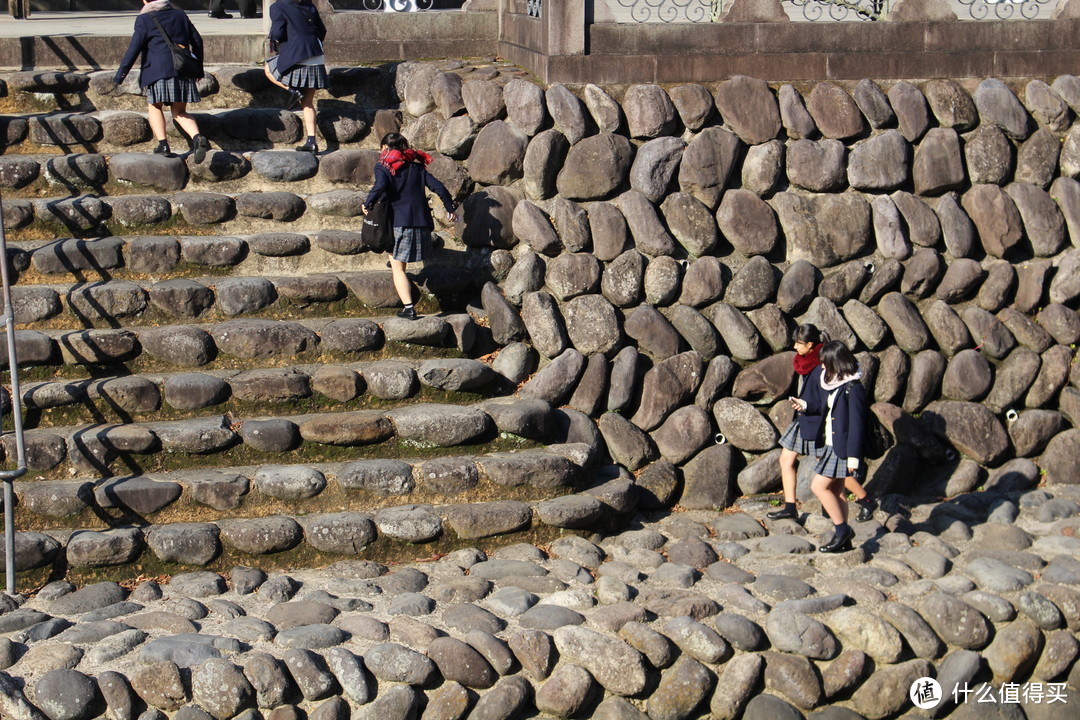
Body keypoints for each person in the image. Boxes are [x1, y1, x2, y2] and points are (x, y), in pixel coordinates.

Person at [768, 326, 878, 524]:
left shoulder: (823, 366)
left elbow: (827, 403)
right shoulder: (806, 363)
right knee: (788, 460)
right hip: (804, 418)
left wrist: (808, 406)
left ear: (810, 345)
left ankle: (860, 503)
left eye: (798, 343)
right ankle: (791, 506)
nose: (794, 347)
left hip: (819, 422)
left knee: (833, 470)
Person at [362, 133, 457, 320]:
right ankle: (398, 262)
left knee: (398, 269)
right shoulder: (416, 167)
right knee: (398, 261)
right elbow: (438, 187)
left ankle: (409, 308)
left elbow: (380, 185)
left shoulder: (384, 166)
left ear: (384, 148)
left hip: (398, 222)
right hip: (420, 222)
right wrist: (449, 207)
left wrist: (368, 203)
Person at [114, 0, 210, 162]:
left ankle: (163, 145)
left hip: (157, 71)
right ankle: (197, 137)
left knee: (155, 105)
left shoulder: (144, 19)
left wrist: (121, 74)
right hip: (183, 70)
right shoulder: (180, 15)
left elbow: (134, 48)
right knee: (179, 112)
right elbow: (197, 41)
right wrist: (198, 69)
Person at [799, 341, 870, 553]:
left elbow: (858, 424)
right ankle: (845, 539)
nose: (822, 367)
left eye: (825, 363)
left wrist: (854, 458)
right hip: (831, 444)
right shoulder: (835, 382)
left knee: (818, 487)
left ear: (835, 362)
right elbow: (825, 409)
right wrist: (804, 406)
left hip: (842, 448)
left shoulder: (853, 387)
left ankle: (842, 531)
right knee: (837, 492)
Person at [265, 0, 327, 153]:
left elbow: (278, 33)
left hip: (296, 55)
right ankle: (312, 142)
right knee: (307, 103)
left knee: (267, 69)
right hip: (316, 57)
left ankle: (292, 90)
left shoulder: (278, 6)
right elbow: (322, 30)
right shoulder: (309, 4)